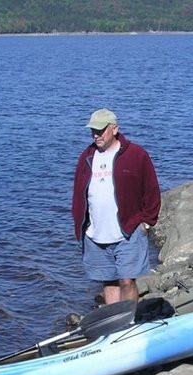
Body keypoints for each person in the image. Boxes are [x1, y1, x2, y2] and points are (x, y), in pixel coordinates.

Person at [72, 108, 161, 305]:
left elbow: (151, 189)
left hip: (128, 230)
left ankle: (129, 322)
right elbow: (78, 194)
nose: (96, 135)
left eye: (100, 130)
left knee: (127, 280)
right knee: (109, 281)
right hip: (96, 232)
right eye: (93, 131)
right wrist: (81, 225)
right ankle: (116, 326)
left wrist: (146, 222)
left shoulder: (136, 155)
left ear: (114, 129)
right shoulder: (86, 157)